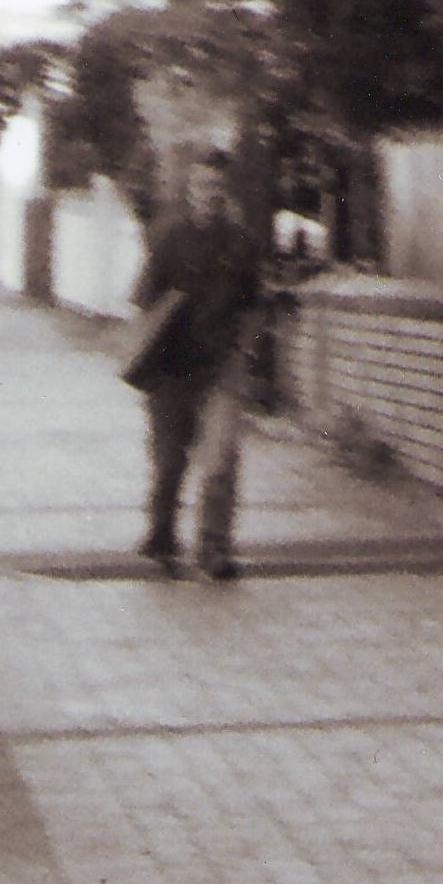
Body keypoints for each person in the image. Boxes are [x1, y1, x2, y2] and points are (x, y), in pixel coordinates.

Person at [126, 147, 269, 582]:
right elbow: (143, 299)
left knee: (221, 459)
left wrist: (245, 352)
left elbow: (254, 304)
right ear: (191, 189)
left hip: (220, 367)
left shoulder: (243, 244)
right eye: (204, 185)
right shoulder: (169, 238)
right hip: (171, 368)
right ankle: (163, 537)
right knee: (170, 461)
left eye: (218, 186)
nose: (212, 193)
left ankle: (214, 549)